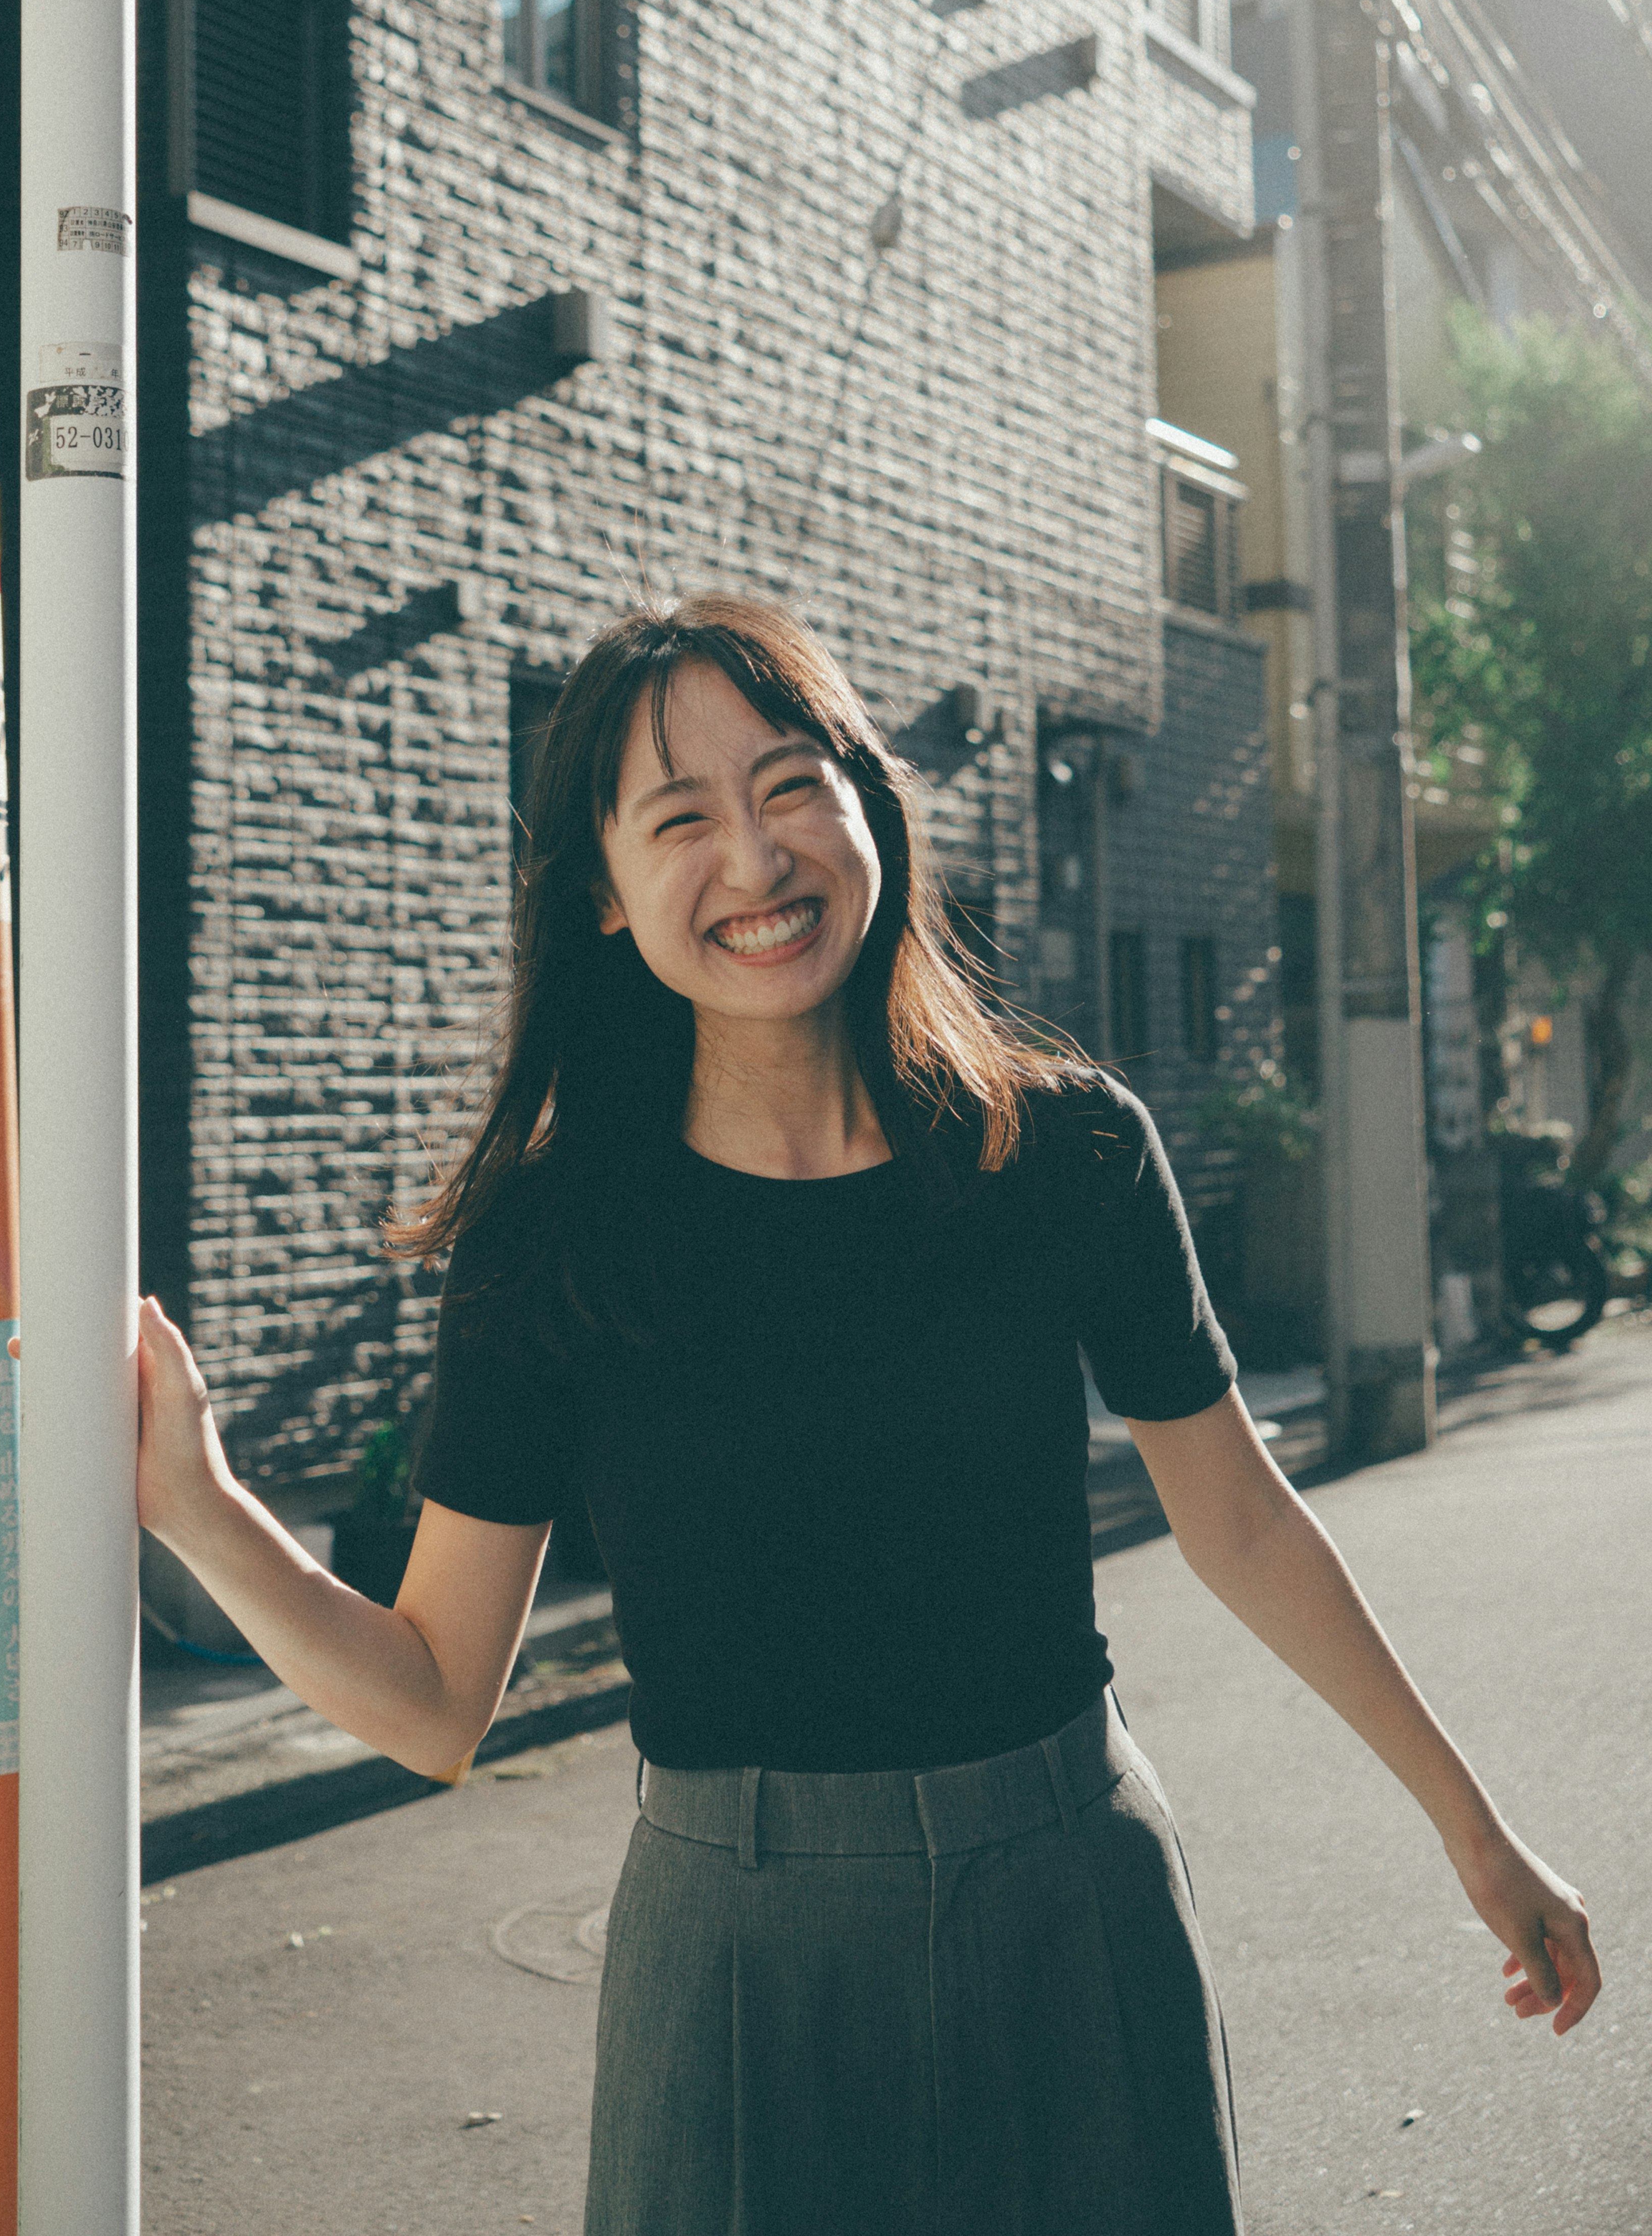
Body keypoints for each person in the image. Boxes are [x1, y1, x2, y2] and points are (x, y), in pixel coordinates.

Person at [137, 593, 1599, 2235]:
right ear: (605, 898)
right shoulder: (554, 1244)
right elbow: (434, 1700)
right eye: (680, 817)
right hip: (737, 1960)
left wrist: (1475, 1830)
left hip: (1075, 1899)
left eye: (790, 787)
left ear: (868, 810)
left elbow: (1242, 1518)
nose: (755, 861)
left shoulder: (1062, 1155)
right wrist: (197, 1504)